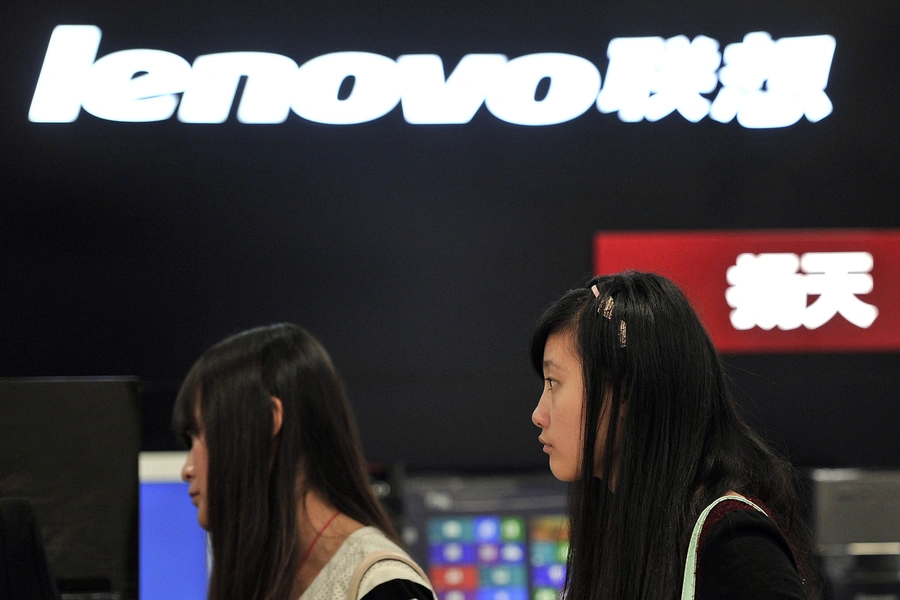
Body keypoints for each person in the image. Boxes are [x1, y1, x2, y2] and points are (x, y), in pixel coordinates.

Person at [530, 272, 821, 600]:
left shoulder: (733, 542)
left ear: (625, 389)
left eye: (554, 382)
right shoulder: (618, 530)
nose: (539, 415)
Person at [173, 323, 435, 600]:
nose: (187, 470)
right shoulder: (266, 578)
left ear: (266, 421)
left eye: (200, 435)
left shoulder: (382, 585)